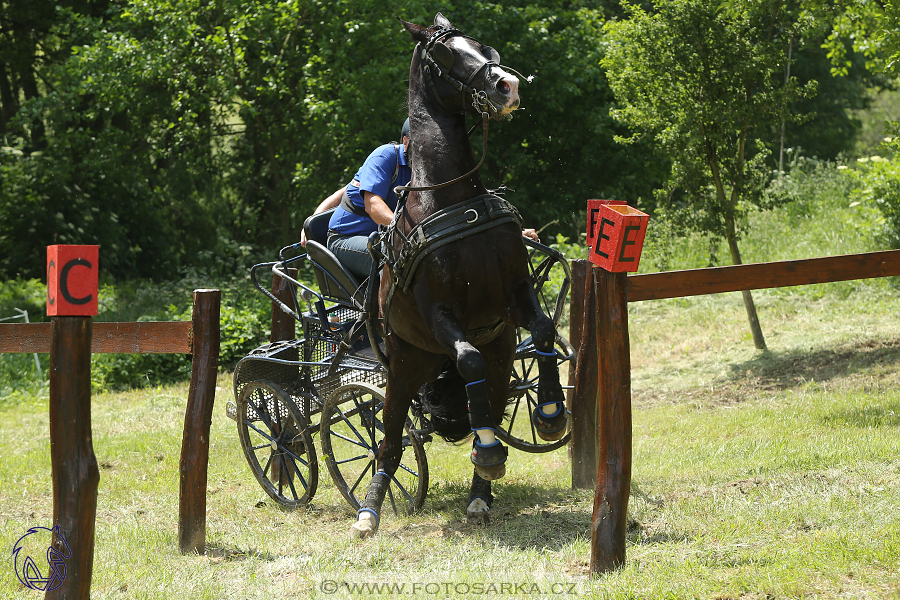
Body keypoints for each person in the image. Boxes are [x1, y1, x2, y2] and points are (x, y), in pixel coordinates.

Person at [301, 118, 539, 281]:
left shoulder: (429, 171)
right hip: (346, 239)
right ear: (406, 142)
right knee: (398, 256)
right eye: (423, 146)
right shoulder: (386, 156)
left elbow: (469, 206)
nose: (429, 153)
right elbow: (372, 205)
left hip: (390, 237)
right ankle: (391, 330)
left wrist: (512, 233)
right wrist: (312, 219)